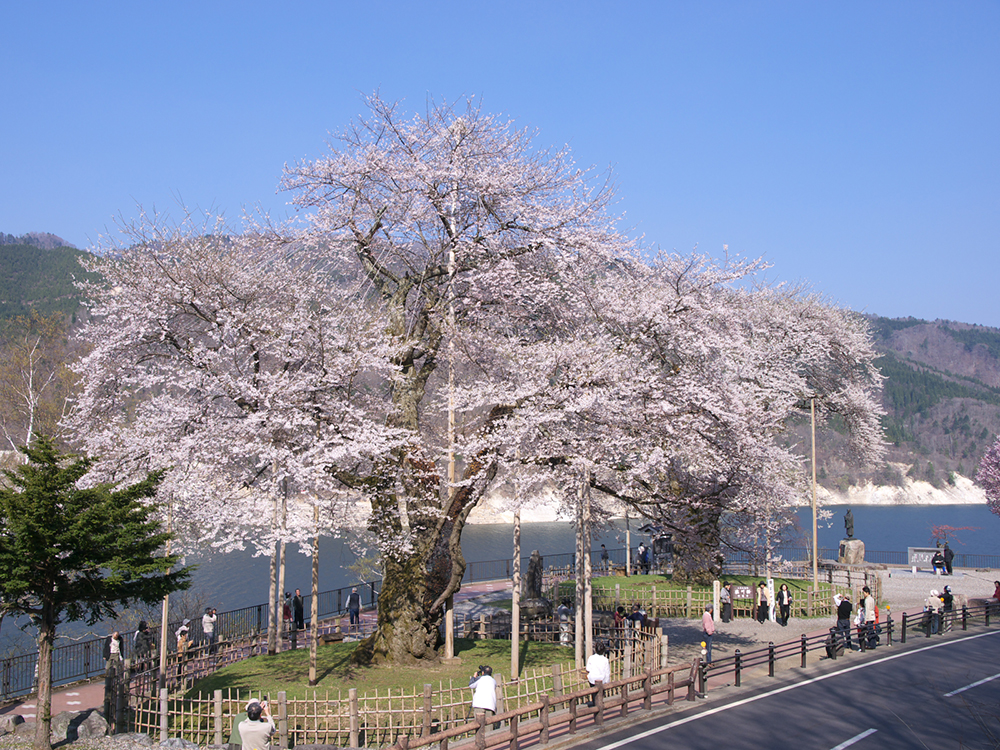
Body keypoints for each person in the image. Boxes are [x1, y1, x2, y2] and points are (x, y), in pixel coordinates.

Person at [581, 641, 611, 706]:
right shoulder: (605, 659)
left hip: (593, 679)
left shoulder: (591, 658)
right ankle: (599, 705)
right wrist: (607, 681)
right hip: (602, 680)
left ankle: (595, 704)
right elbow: (607, 671)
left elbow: (588, 669)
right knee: (601, 693)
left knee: (594, 693)